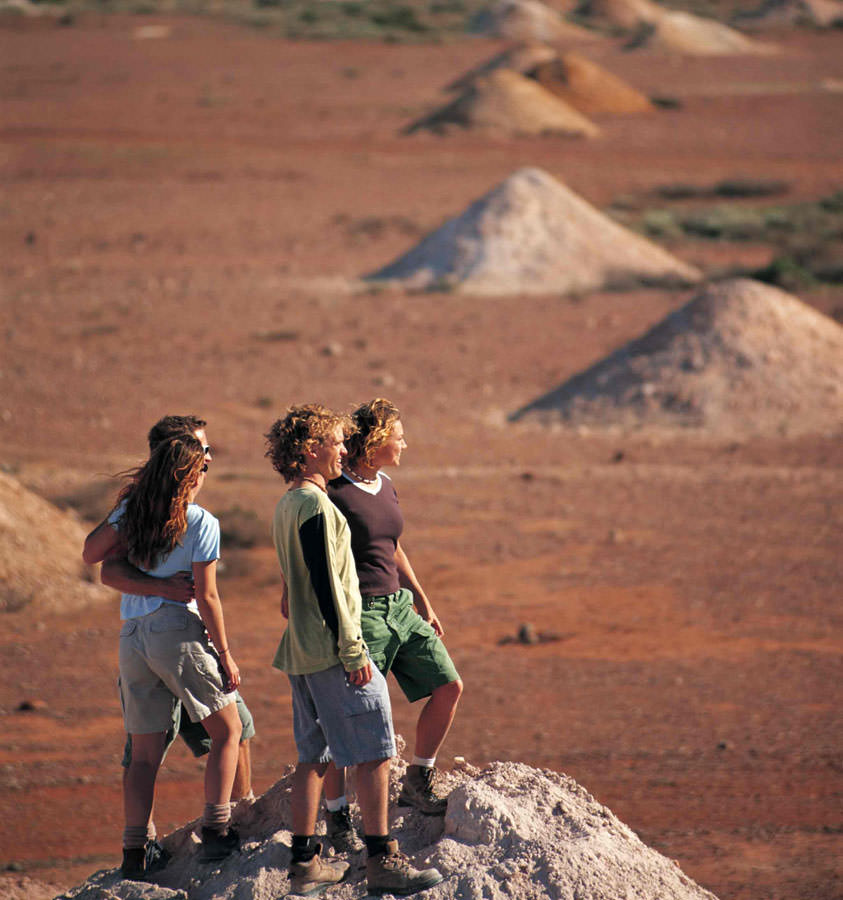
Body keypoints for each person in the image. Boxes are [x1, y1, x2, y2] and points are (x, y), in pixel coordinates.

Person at [264, 404, 443, 897]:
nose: (345, 448)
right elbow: (329, 588)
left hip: (300, 653)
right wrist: (353, 652)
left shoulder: (288, 503)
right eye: (335, 442)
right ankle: (382, 860)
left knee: (314, 757)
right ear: (308, 451)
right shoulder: (318, 508)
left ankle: (305, 867)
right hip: (332, 654)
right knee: (377, 754)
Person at [82, 417, 256, 838]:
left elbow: (94, 557)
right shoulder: (200, 521)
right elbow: (208, 596)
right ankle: (221, 829)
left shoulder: (134, 511)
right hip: (177, 633)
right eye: (202, 460)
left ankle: (135, 848)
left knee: (143, 755)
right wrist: (226, 654)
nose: (207, 464)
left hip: (133, 637)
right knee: (231, 729)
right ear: (185, 468)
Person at [321, 398, 462, 850]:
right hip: (360, 615)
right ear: (378, 440)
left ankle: (418, 778)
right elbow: (313, 554)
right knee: (348, 718)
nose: (405, 443)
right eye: (399, 436)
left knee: (449, 685)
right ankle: (336, 815)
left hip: (399, 607)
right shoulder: (333, 492)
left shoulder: (385, 484)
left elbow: (392, 546)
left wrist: (422, 598)